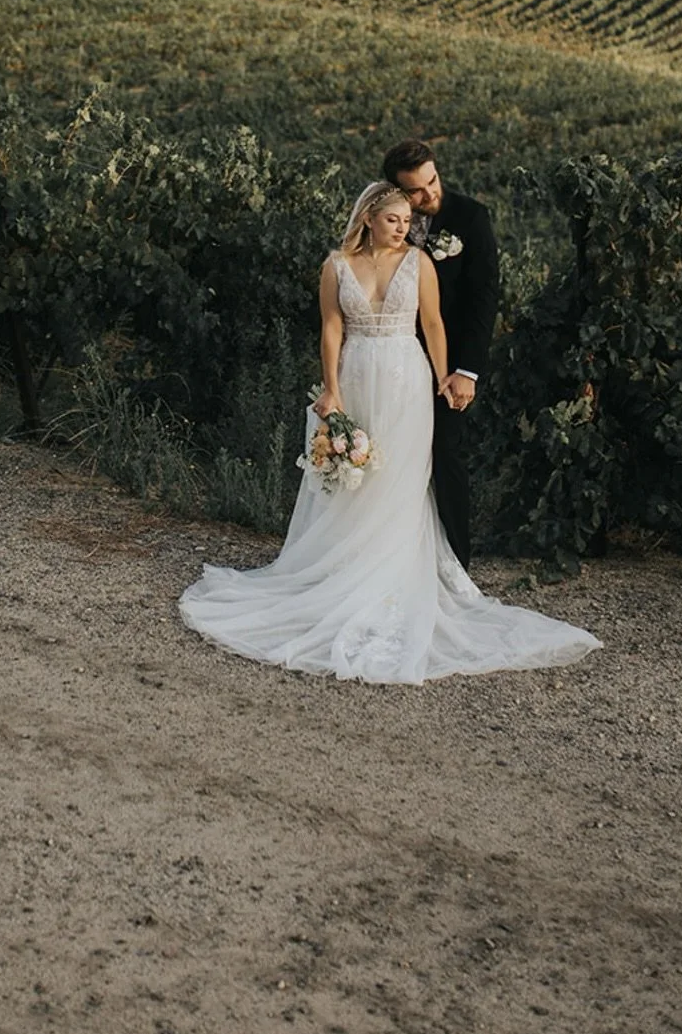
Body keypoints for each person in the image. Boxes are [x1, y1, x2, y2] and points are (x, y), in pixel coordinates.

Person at [177, 182, 601, 684]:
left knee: (399, 480)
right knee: (355, 476)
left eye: (407, 221)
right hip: (356, 375)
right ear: (368, 219)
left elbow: (434, 323)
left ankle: (389, 580)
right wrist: (332, 391)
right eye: (394, 220)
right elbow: (331, 328)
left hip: (405, 377)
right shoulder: (335, 265)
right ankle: (342, 573)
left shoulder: (419, 263)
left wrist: (446, 376)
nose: (404, 228)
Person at [380, 138, 499, 573]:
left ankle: (454, 568)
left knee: (446, 455)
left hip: (449, 367)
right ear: (394, 191)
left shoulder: (470, 217)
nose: (430, 194)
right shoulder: (385, 221)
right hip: (392, 358)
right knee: (391, 454)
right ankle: (391, 561)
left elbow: (483, 301)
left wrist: (465, 371)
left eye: (432, 181)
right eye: (416, 190)